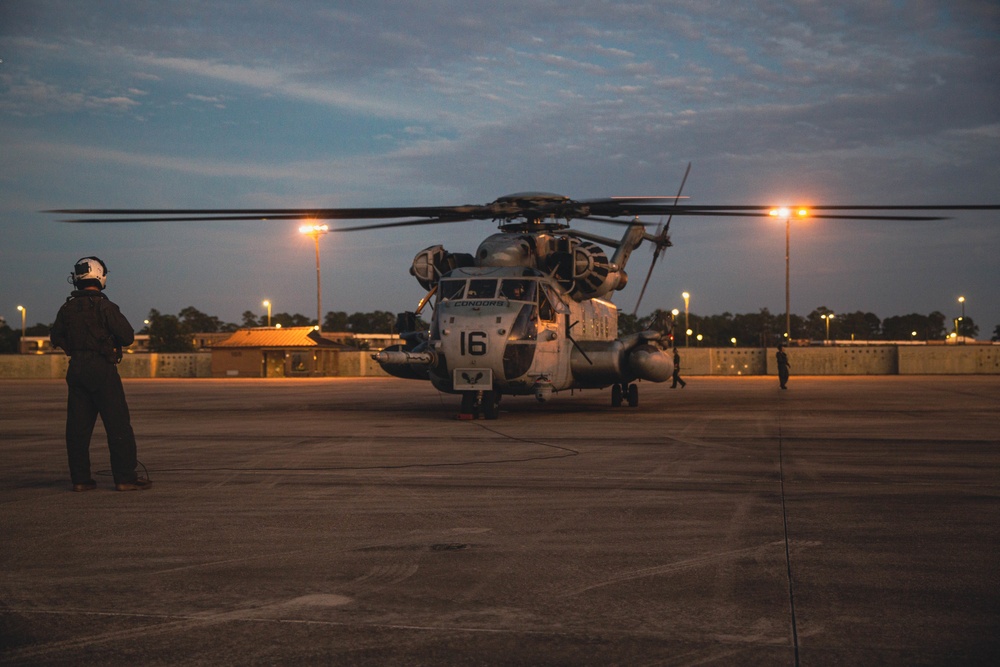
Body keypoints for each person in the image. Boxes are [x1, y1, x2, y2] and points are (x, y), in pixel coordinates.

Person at [50, 257, 151, 492]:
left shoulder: (66, 308)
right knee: (118, 426)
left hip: (76, 369)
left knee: (77, 429)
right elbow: (127, 336)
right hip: (102, 369)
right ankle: (125, 478)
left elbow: (56, 337)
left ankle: (80, 480)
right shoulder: (105, 306)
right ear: (100, 275)